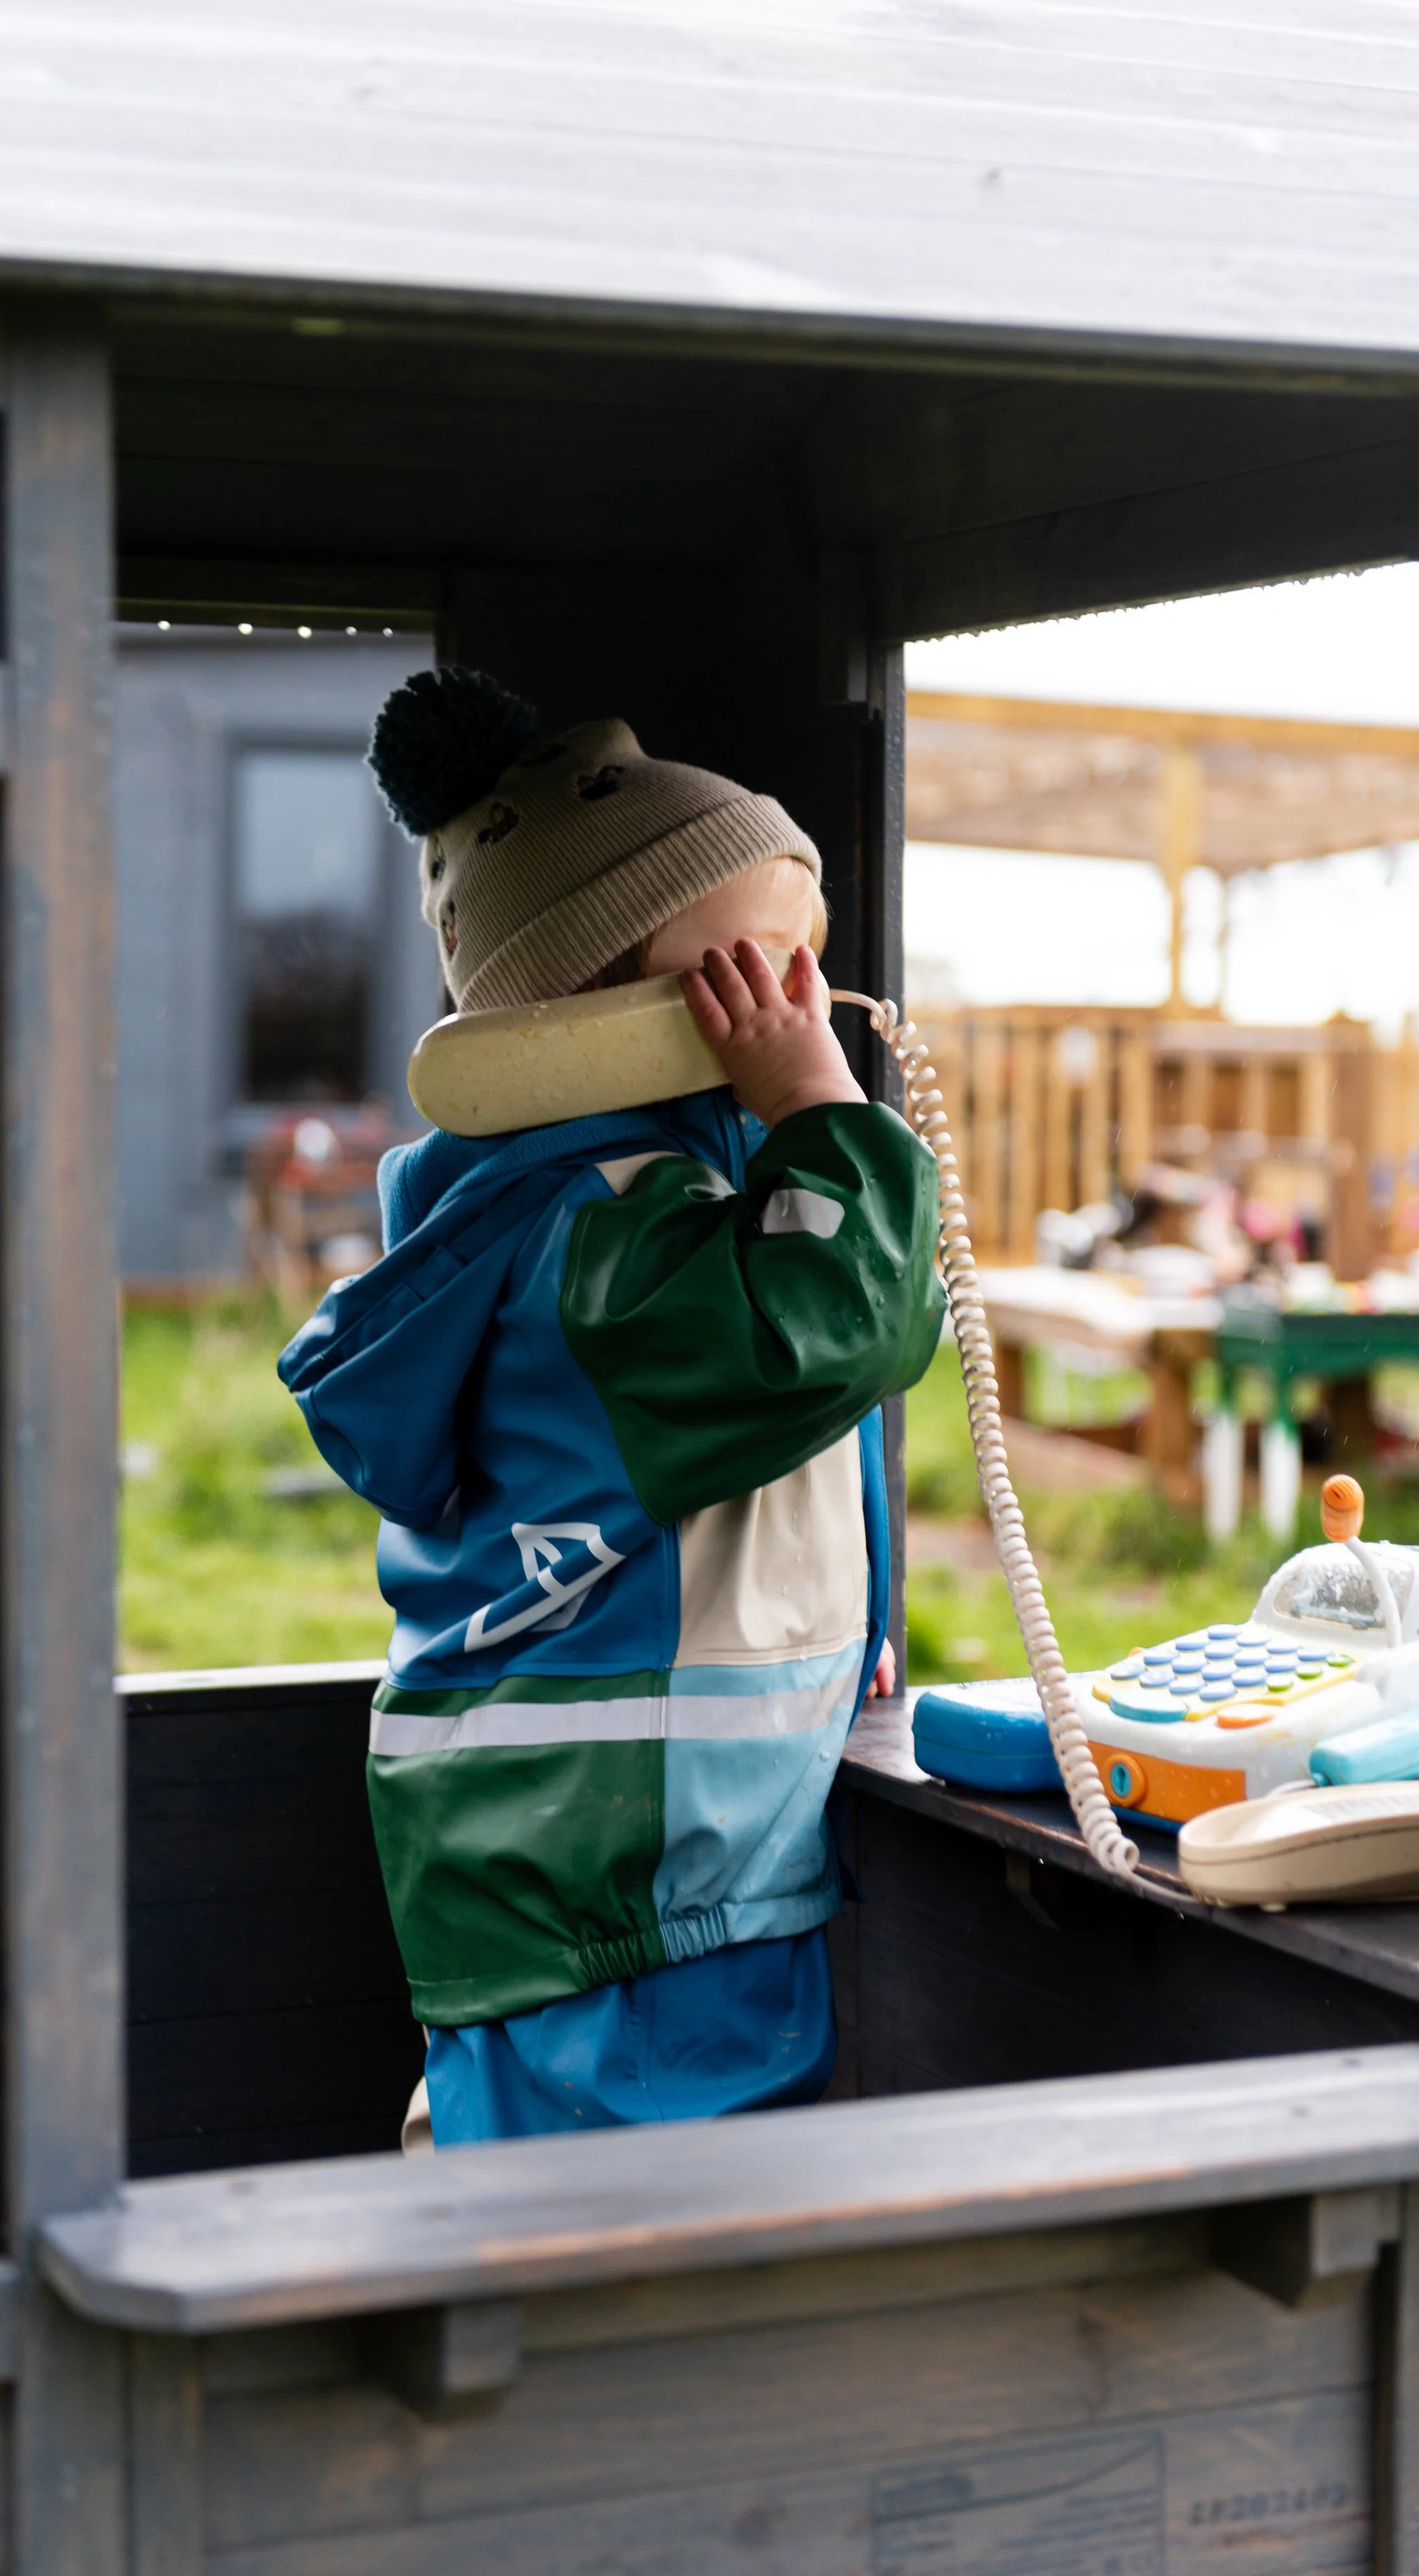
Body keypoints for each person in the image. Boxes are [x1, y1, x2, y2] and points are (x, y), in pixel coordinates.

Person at [279, 667, 942, 2145]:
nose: (804, 1007)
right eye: (753, 973)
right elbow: (837, 1333)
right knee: (630, 2258)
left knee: (566, 2188)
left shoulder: (618, 1216)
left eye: (806, 962)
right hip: (628, 1873)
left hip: (588, 1849)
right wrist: (819, 1107)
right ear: (605, 1012)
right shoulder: (598, 1246)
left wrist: (848, 1623)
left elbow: (765, 1442)